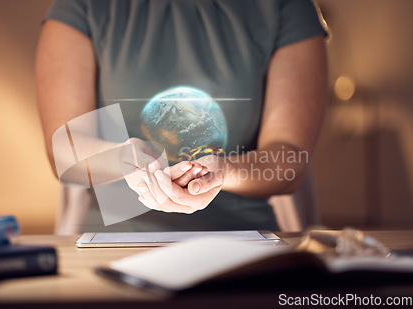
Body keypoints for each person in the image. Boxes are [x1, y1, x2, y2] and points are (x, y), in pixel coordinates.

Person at [36, 0, 328, 233]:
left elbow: (289, 158)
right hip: (114, 240)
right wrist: (126, 159)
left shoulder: (286, 7)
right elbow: (64, 150)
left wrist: (224, 172)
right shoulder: (83, 5)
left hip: (245, 242)